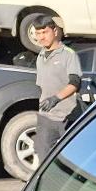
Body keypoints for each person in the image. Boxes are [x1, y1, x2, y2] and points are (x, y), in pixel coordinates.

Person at [31, 17, 82, 160]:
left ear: (54, 31)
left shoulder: (68, 54)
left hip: (67, 116)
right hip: (46, 116)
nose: (41, 37)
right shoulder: (40, 56)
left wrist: (56, 98)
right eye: (38, 33)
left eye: (44, 32)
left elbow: (75, 83)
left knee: (72, 158)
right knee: (44, 158)